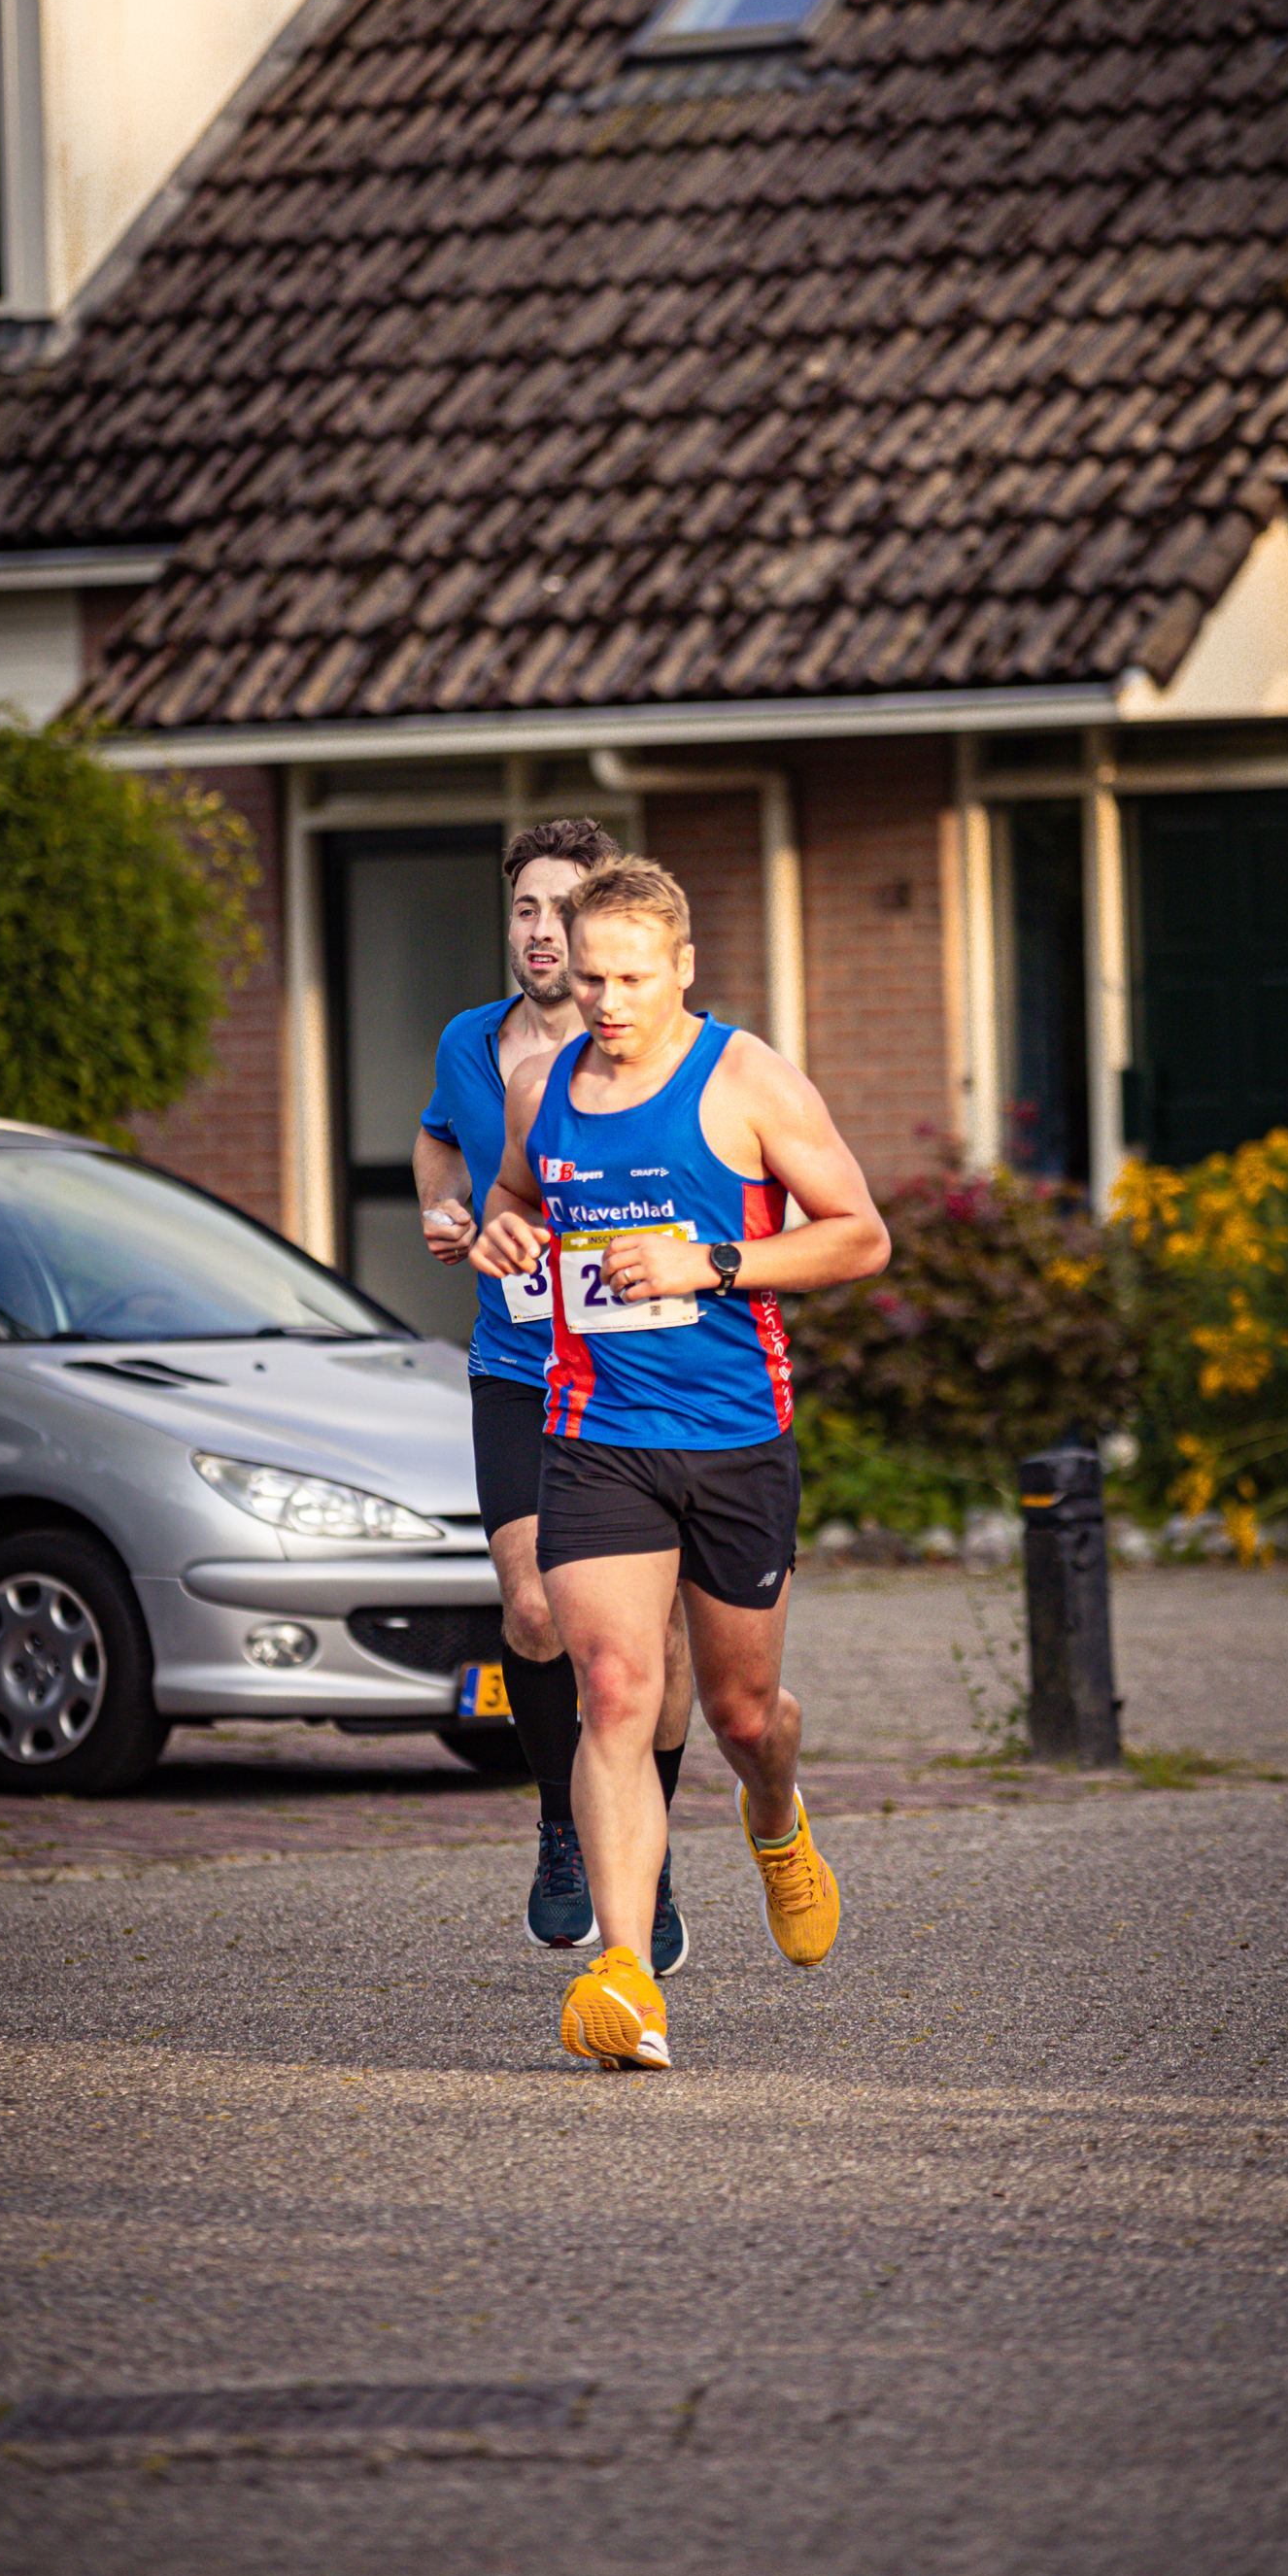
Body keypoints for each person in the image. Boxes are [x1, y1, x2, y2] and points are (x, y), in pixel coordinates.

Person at [472, 855, 891, 2071]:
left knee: (741, 1713)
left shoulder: (745, 1078)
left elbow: (858, 1235)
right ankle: (623, 1972)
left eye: (631, 978)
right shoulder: (543, 1084)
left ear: (683, 968)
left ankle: (773, 1817)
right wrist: (498, 1229)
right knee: (613, 1688)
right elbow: (514, 1203)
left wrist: (711, 1264)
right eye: (591, 976)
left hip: (732, 1441)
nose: (606, 1002)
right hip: (594, 1435)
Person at [413, 820, 695, 1975]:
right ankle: (560, 1827)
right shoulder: (470, 1044)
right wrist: (450, 1215)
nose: (538, 931)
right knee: (531, 1612)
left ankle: (648, 1849)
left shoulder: (660, 1054)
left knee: (656, 1648)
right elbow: (438, 1147)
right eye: (524, 909)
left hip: (643, 1371)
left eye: (559, 911)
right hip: (518, 1365)